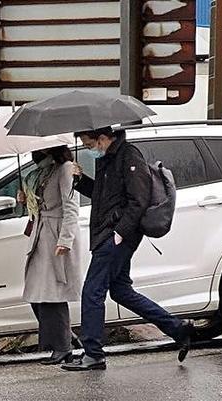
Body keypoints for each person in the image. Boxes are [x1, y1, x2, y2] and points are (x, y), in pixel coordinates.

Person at [69, 127, 194, 371]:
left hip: (116, 235)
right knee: (121, 291)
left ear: (103, 139)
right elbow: (104, 196)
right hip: (110, 234)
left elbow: (139, 199)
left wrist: (119, 233)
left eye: (88, 144)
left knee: (92, 291)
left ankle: (93, 353)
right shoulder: (108, 159)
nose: (88, 149)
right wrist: (81, 180)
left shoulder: (129, 156)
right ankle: (178, 329)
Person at [19, 145, 82, 365]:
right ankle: (65, 337)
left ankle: (63, 347)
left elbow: (71, 207)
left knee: (52, 294)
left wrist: (66, 240)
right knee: (37, 293)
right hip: (41, 234)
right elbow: (42, 201)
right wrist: (26, 199)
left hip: (56, 236)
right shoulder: (43, 173)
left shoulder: (65, 169)